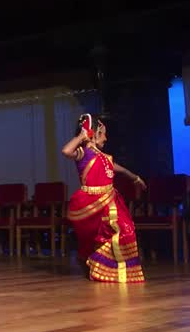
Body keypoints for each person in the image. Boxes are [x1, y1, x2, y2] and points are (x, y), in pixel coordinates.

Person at [61, 113, 146, 283]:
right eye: (103, 133)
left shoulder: (105, 158)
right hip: (91, 203)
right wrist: (81, 136)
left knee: (125, 229)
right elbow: (65, 151)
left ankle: (118, 271)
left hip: (110, 201)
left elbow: (119, 169)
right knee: (94, 240)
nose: (106, 138)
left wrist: (135, 178)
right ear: (93, 134)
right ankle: (98, 267)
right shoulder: (82, 153)